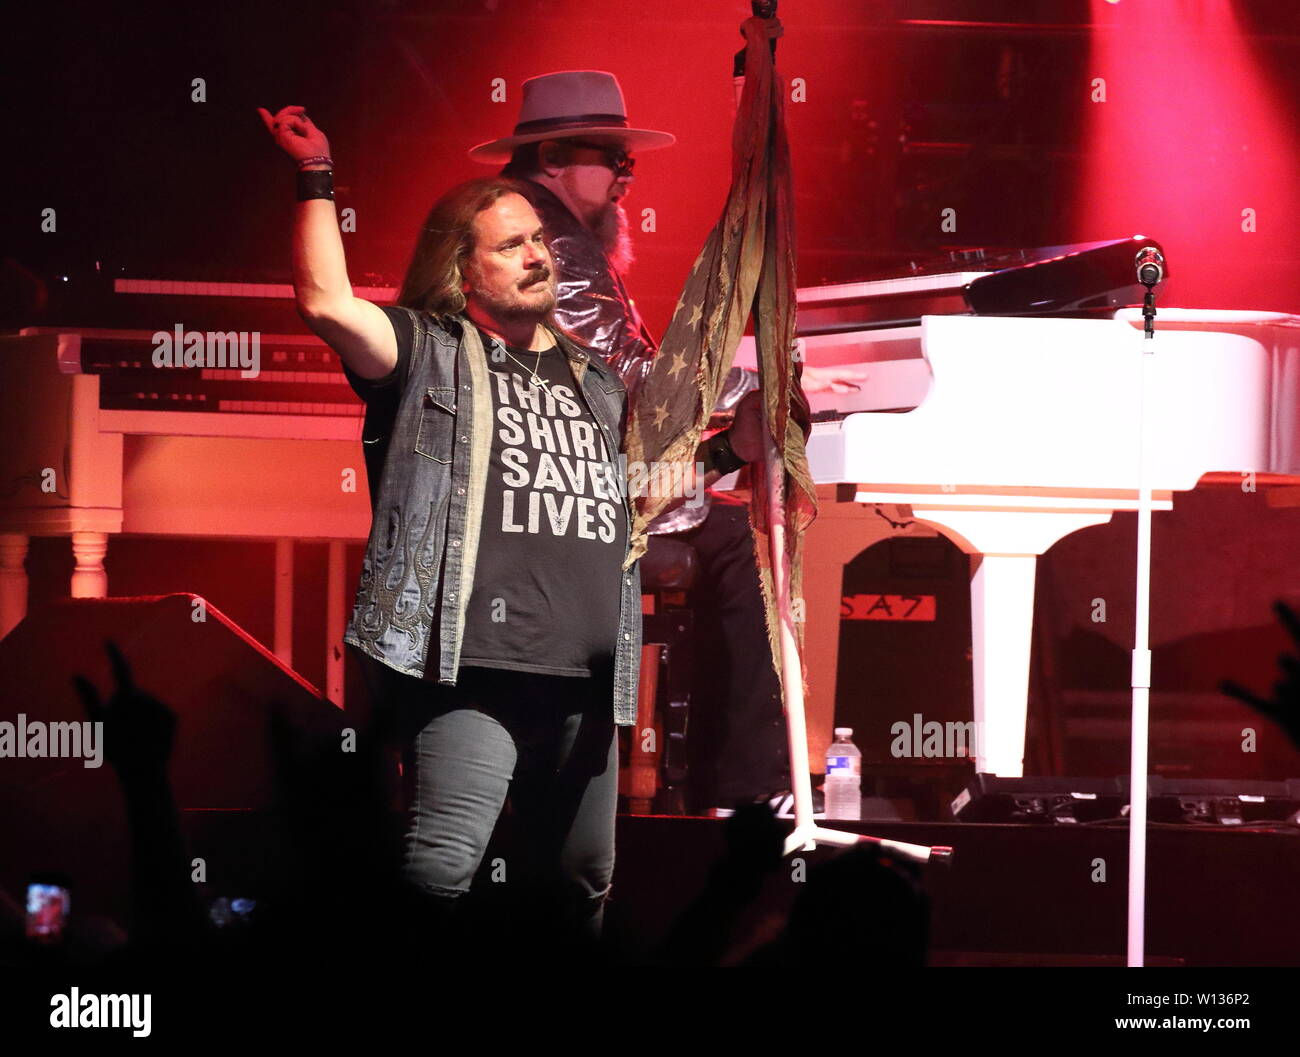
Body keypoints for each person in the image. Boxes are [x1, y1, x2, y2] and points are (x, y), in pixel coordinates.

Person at [257, 104, 766, 952]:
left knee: (582, 887)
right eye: (511, 245)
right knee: (439, 872)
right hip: (473, 674)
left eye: (540, 240)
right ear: (460, 270)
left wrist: (728, 456)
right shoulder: (428, 350)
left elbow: (631, 498)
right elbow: (325, 302)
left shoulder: (594, 380)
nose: (540, 256)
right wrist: (316, 176)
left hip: (586, 683)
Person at [469, 68, 865, 816]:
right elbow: (631, 378)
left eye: (629, 161)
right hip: (565, 503)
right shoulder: (549, 239)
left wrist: (727, 425)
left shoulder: (521, 222)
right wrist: (754, 386)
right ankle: (747, 788)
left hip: (562, 480)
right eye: (613, 158)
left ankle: (730, 785)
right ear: (554, 155)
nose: (626, 176)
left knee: (719, 512)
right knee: (741, 544)